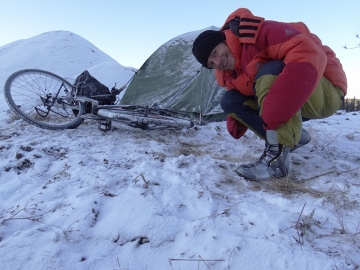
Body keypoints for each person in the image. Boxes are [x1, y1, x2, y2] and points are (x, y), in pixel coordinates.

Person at [192, 8, 347, 180]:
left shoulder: (257, 33)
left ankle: (276, 162)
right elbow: (242, 92)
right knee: (230, 100)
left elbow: (308, 53)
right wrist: (237, 117)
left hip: (325, 89)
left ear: (224, 40)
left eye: (215, 53)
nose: (218, 62)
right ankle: (294, 137)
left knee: (271, 70)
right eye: (211, 63)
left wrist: (275, 112)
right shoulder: (229, 73)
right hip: (296, 97)